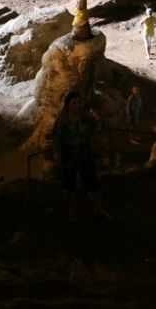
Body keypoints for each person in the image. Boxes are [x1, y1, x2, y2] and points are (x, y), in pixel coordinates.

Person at [47, 91, 112, 222]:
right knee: (69, 186)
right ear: (68, 105)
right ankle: (72, 209)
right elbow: (56, 139)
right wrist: (58, 157)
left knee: (93, 183)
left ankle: (98, 208)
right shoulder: (62, 119)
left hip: (85, 155)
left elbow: (95, 127)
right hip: (69, 157)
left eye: (79, 102)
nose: (77, 105)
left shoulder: (85, 115)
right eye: (74, 103)